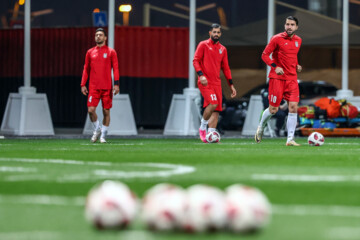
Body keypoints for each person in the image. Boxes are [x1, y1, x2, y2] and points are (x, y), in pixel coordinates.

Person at [255, 16, 302, 146]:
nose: (289, 27)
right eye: (287, 24)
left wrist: (297, 65)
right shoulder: (276, 39)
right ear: (284, 25)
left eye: (292, 24)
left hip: (292, 79)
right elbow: (264, 55)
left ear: (296, 27)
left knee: (293, 107)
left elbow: (293, 56)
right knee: (273, 110)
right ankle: (261, 126)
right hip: (277, 78)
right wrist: (275, 67)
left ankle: (290, 139)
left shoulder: (298, 40)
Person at [193, 23, 237, 143]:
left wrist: (231, 85)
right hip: (205, 82)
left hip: (217, 83)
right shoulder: (203, 45)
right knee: (212, 104)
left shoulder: (223, 49)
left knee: (216, 110)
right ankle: (202, 128)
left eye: (218, 32)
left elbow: (226, 68)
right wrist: (201, 75)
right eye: (214, 32)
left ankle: (211, 134)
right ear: (210, 33)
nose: (216, 34)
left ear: (220, 34)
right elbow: (195, 61)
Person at [81, 28, 120, 143]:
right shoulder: (90, 52)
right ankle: (97, 129)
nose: (98, 36)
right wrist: (83, 84)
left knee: (106, 112)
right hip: (93, 87)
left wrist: (116, 84)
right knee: (91, 110)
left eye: (100, 35)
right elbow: (86, 69)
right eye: (96, 35)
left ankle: (103, 135)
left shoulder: (111, 52)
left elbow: (116, 69)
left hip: (107, 87)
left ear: (105, 37)